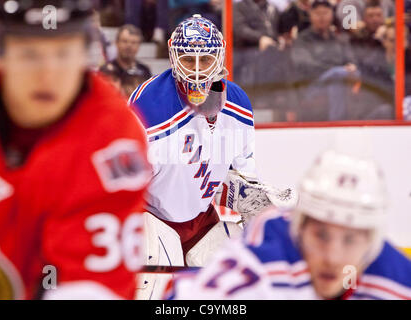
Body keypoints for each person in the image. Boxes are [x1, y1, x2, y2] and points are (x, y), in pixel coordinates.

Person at [0, 0, 151, 300]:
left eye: (63, 53)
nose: (47, 74)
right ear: (0, 54)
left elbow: (90, 291)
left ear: (84, 55)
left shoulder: (114, 139)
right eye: (29, 54)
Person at [129, 14, 296, 299]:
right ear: (172, 56)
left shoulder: (239, 105)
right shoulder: (146, 107)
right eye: (187, 60)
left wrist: (248, 194)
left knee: (233, 289)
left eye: (204, 59)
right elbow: (124, 187)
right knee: (152, 288)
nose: (195, 71)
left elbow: (242, 171)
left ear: (219, 58)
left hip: (202, 222)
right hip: (150, 217)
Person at [167, 150, 411, 300]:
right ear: (299, 229)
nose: (332, 257)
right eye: (321, 235)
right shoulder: (265, 263)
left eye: (350, 240)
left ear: (372, 242)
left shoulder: (397, 281)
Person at [291, 0, 360, 121]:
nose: (321, 17)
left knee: (350, 75)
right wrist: (334, 70)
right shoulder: (303, 40)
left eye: (325, 13)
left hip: (339, 80)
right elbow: (305, 65)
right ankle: (337, 123)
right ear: (310, 15)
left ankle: (354, 120)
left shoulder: (339, 39)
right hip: (312, 86)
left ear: (332, 15)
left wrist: (351, 67)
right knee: (337, 75)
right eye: (318, 13)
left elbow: (351, 61)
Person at [100, 24, 152, 98]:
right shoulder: (106, 71)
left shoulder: (144, 71)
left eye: (133, 42)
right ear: (116, 43)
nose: (129, 46)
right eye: (125, 41)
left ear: (139, 46)